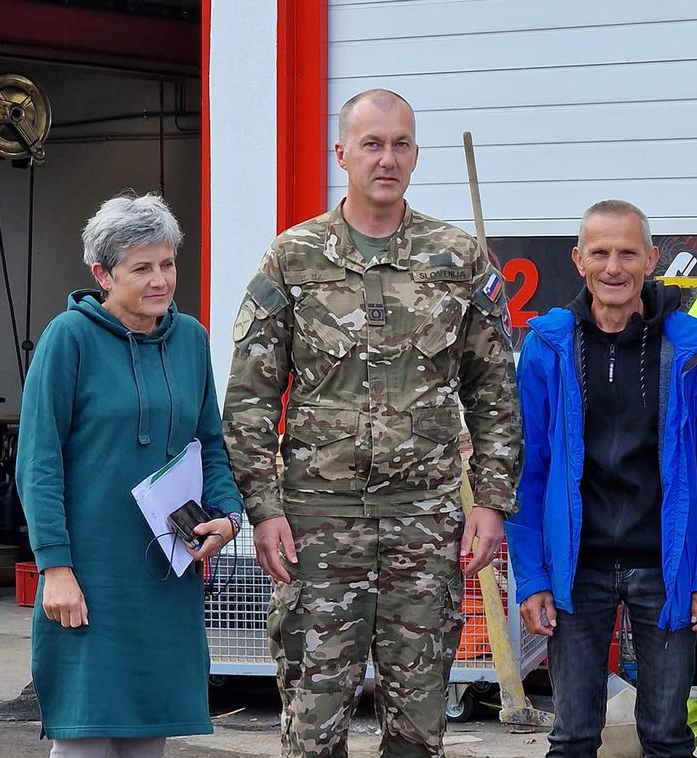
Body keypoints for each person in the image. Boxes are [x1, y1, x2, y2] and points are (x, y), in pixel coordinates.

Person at [222, 89, 521, 758]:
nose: (387, 159)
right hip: (317, 528)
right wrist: (263, 509)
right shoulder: (293, 260)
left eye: (401, 144)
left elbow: (495, 392)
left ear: (415, 154)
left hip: (425, 523)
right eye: (372, 144)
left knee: (418, 730)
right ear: (342, 153)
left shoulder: (458, 260)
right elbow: (249, 398)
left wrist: (492, 502)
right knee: (313, 726)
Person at [506, 199, 697, 758]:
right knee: (572, 737)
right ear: (578, 260)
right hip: (576, 568)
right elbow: (526, 470)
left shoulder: (690, 350)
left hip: (665, 566)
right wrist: (533, 576)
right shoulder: (549, 348)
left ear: (652, 259)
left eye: (628, 253)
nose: (614, 266)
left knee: (666, 736)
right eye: (601, 252)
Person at [16, 193, 243, 758]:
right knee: (86, 735)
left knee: (149, 734)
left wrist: (228, 514)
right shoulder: (67, 339)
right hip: (90, 574)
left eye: (167, 263)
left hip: (165, 573)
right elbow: (38, 461)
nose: (160, 280)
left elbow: (208, 444)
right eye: (142, 268)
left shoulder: (189, 338)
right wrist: (55, 567)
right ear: (102, 273)